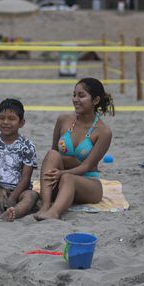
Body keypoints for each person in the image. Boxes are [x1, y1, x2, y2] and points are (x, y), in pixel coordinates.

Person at [34, 77, 114, 221]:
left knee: (68, 178)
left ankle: (54, 213)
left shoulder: (103, 132)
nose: (75, 99)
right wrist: (63, 168)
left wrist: (63, 172)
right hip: (61, 179)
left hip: (88, 184)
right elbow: (55, 154)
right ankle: (45, 206)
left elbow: (86, 166)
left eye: (81, 95)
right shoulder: (63, 120)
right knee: (52, 154)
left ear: (95, 101)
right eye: (74, 95)